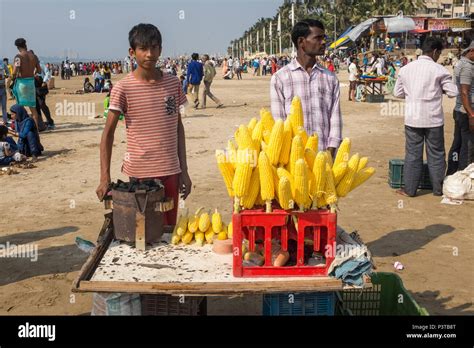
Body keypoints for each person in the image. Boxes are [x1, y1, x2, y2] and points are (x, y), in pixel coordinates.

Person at [96, 23, 191, 227]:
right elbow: (107, 135)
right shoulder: (123, 88)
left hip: (171, 171)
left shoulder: (173, 84)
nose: (150, 54)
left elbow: (178, 128)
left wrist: (184, 171)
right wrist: (105, 177)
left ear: (160, 50)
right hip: (140, 176)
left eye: (154, 48)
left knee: (168, 230)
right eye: (143, 48)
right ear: (132, 52)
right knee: (143, 232)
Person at [393, 37, 458, 197]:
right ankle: (437, 189)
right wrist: (439, 89)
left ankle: (410, 190)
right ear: (435, 52)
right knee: (436, 154)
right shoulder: (440, 70)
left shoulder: (406, 69)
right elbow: (453, 92)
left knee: (413, 154)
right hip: (433, 119)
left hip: (413, 118)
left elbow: (397, 93)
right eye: (439, 53)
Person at [270, 19, 342, 157]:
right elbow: (279, 122)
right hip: (292, 158)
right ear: (301, 42)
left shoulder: (330, 78)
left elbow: (335, 118)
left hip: (322, 155)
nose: (323, 42)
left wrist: (331, 151)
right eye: (318, 38)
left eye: (324, 38)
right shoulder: (280, 78)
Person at [447, 42, 474, 175]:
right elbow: (464, 92)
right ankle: (463, 175)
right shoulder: (467, 67)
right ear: (472, 51)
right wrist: (471, 115)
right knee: (467, 147)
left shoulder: (461, 64)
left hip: (460, 111)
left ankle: (452, 173)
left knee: (457, 145)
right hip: (466, 112)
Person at [11, 38, 46, 132]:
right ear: (26, 45)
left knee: (19, 107)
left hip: (21, 83)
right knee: (33, 109)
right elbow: (39, 71)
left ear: (18, 47)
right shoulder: (34, 56)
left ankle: (20, 129)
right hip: (31, 83)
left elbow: (14, 71)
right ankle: (36, 130)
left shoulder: (18, 57)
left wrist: (12, 77)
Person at [0, 60, 8, 125]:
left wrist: (5, 76)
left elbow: (8, 73)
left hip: (2, 87)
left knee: (4, 106)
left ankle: (5, 121)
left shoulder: (3, 63)